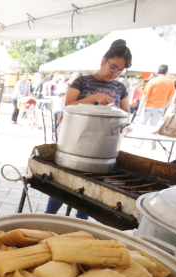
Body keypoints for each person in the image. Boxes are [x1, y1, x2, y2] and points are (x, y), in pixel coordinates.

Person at [45, 39, 132, 221]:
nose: (115, 73)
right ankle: (48, 216)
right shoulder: (82, 82)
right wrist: (94, 98)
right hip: (75, 144)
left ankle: (80, 222)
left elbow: (125, 115)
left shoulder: (120, 88)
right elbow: (68, 106)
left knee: (90, 190)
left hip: (102, 149)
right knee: (63, 183)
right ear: (103, 61)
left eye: (120, 70)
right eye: (113, 66)